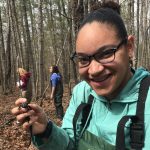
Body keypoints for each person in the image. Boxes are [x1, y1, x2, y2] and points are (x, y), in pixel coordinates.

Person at [11, 1, 150, 150]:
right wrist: (46, 131)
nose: (95, 69)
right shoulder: (82, 92)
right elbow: (69, 144)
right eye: (84, 59)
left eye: (107, 53)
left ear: (129, 47)